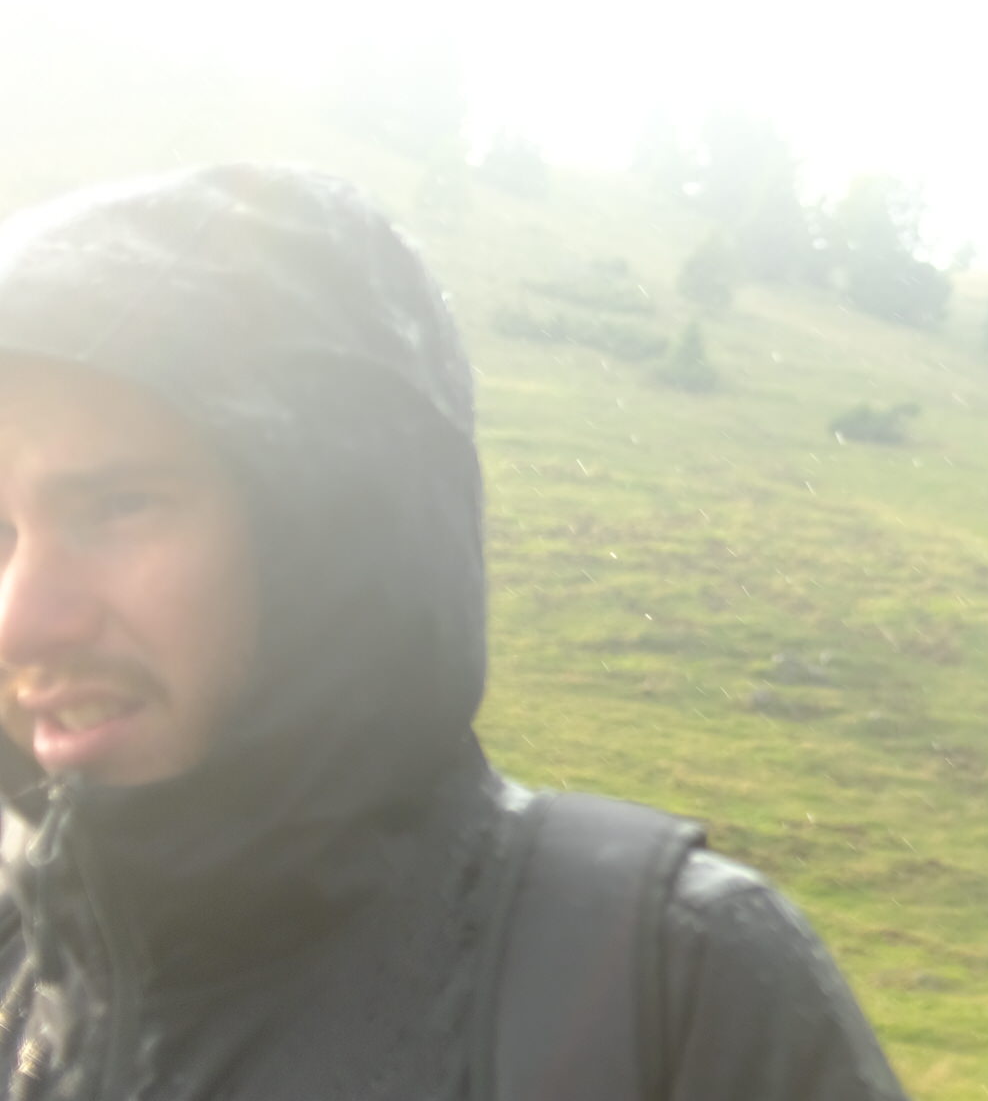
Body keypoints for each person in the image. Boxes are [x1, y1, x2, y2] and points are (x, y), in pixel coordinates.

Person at [0, 164, 909, 1100]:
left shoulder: (677, 982)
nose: (22, 621)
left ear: (335, 528)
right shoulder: (20, 973)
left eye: (119, 506)